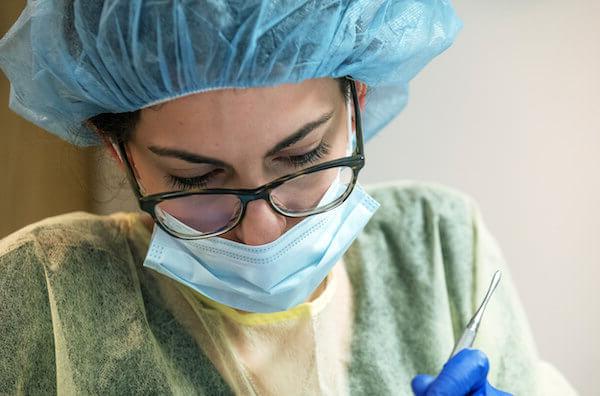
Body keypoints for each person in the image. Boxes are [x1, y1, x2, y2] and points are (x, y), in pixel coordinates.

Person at [0, 1, 577, 395]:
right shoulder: (38, 290)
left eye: (301, 159)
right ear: (116, 148)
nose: (262, 234)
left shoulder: (440, 243)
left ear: (358, 99)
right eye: (195, 181)